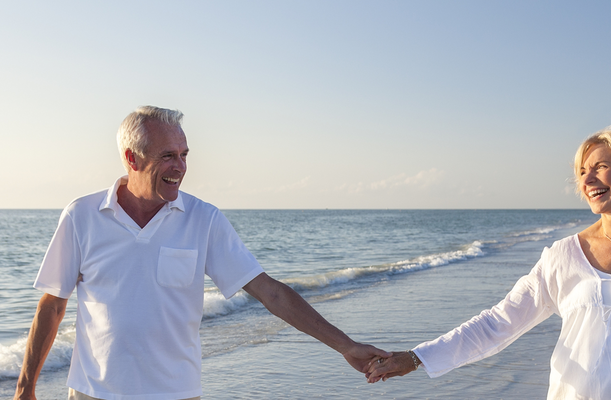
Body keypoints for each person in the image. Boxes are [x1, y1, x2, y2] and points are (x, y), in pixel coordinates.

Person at [15, 106, 390, 400]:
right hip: (92, 392)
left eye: (184, 154)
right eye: (167, 156)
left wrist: (346, 346)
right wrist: (24, 388)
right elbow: (53, 304)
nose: (180, 167)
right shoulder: (81, 215)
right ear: (132, 159)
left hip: (175, 393)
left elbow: (270, 292)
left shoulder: (203, 219)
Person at [367, 125, 611, 399]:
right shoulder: (563, 255)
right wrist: (416, 357)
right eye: (582, 172)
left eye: (600, 167)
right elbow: (498, 323)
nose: (587, 179)